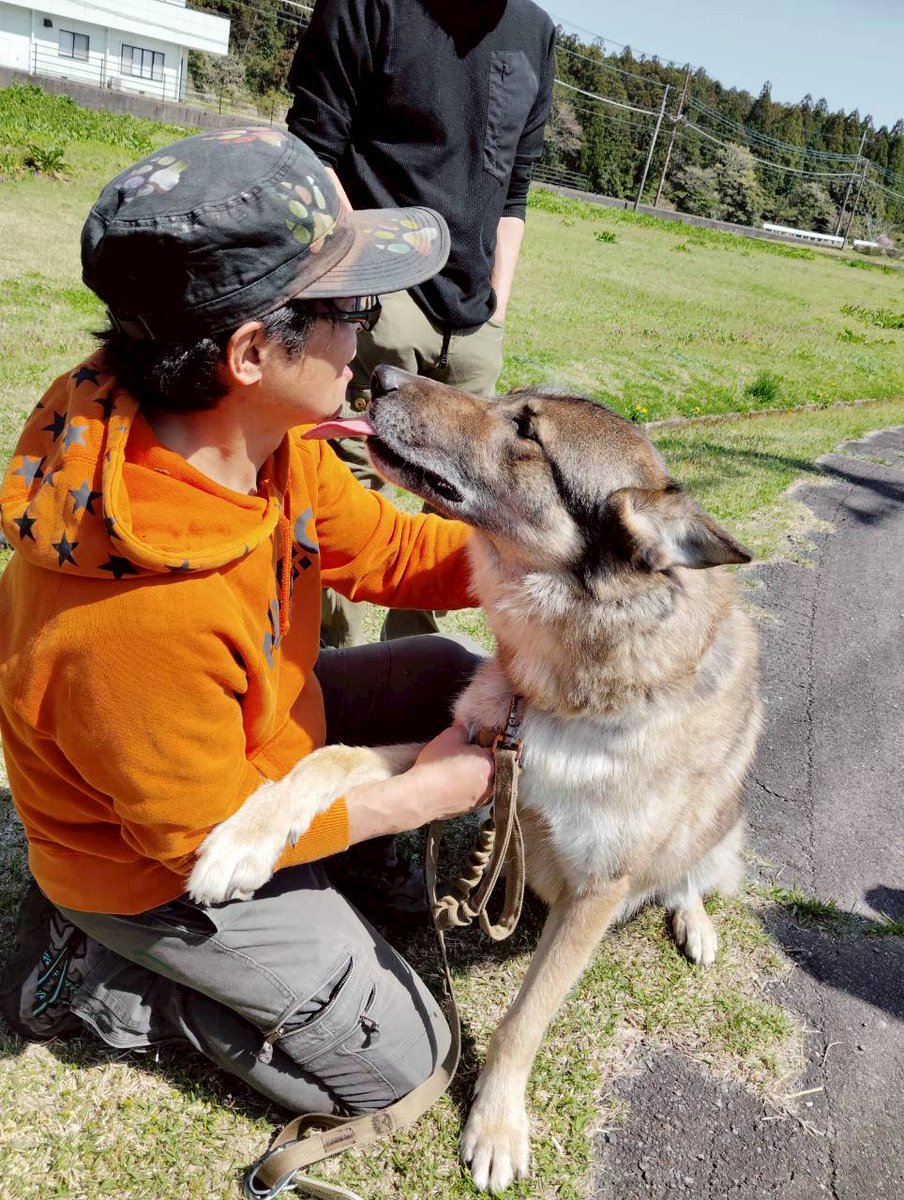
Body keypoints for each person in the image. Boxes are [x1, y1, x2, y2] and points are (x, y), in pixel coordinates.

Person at [0, 128, 495, 1119]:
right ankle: (113, 984)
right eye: (350, 309)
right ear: (252, 351)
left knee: (443, 665)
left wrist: (558, 563)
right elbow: (197, 836)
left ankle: (329, 868)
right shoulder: (135, 619)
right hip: (155, 864)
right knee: (402, 1067)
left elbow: (393, 554)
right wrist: (427, 790)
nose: (365, 338)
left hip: (256, 749)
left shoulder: (270, 441)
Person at [287, 0, 556, 645]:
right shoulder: (368, 5)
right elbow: (311, 151)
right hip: (380, 299)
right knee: (342, 482)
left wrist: (497, 301)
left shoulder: (536, 31)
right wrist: (364, 277)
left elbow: (514, 185)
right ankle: (331, 669)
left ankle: (408, 664)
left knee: (463, 494)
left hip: (472, 320)